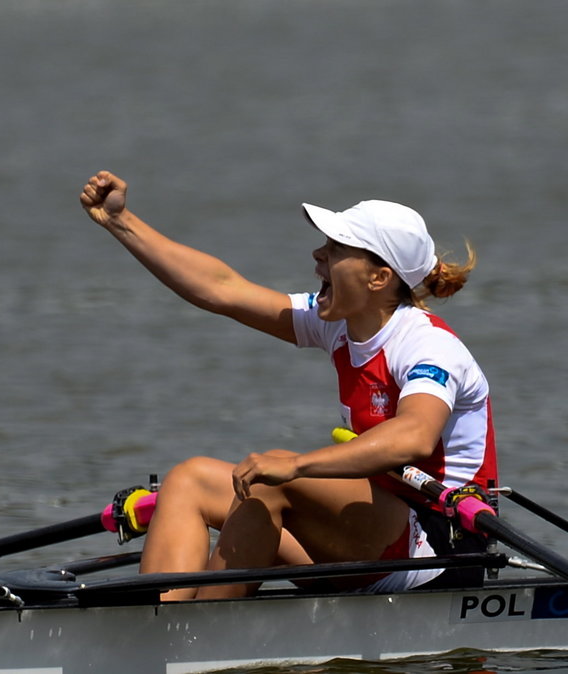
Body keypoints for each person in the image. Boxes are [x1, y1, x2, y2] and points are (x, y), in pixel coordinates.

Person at [79, 170, 496, 600]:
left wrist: (296, 466)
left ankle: (197, 637)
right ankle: (160, 625)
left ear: (379, 278)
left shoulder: (428, 345)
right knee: (189, 481)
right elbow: (222, 289)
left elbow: (413, 436)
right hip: (370, 532)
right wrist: (120, 220)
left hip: (439, 547)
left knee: (272, 475)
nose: (318, 255)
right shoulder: (337, 324)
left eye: (335, 250)